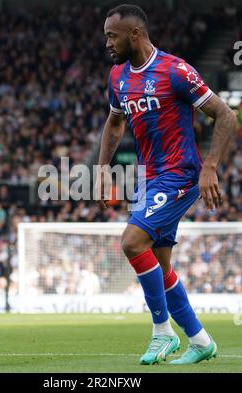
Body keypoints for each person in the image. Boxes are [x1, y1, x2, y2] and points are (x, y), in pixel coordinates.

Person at [97, 4, 236, 365]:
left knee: (131, 241)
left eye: (112, 36)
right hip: (151, 177)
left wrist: (210, 166)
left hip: (181, 173)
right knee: (159, 263)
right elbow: (114, 124)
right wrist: (101, 168)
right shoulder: (117, 77)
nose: (107, 43)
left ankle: (162, 332)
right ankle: (201, 341)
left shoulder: (174, 70)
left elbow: (225, 113)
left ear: (135, 34)